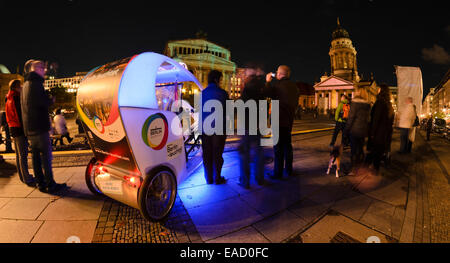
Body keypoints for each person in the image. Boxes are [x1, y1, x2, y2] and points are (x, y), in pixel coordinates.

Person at [21, 59, 66, 193]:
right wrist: (50, 100)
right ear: (36, 69)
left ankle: (40, 183)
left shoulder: (25, 85)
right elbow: (40, 103)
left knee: (35, 158)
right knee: (46, 157)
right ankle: (50, 184)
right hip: (40, 127)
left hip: (30, 128)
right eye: (42, 67)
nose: (44, 70)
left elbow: (26, 106)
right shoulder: (36, 83)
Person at [265, 65, 300, 179]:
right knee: (287, 147)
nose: (276, 73)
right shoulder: (295, 87)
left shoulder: (278, 86)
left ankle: (277, 173)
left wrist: (268, 81)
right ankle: (289, 170)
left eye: (277, 72)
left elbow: (266, 93)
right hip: (288, 121)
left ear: (280, 74)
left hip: (278, 121)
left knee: (278, 149)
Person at [238, 66, 266, 189]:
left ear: (249, 77)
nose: (243, 77)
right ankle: (259, 178)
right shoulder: (260, 89)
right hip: (258, 125)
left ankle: (245, 180)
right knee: (259, 153)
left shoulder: (247, 89)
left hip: (247, 126)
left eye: (245, 75)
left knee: (244, 153)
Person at [5, 79, 35, 186]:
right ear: (15, 87)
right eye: (20, 86)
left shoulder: (8, 98)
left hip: (13, 129)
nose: (22, 87)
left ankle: (23, 176)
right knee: (23, 155)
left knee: (18, 155)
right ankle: (27, 178)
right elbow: (21, 116)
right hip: (19, 129)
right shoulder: (16, 98)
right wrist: (26, 130)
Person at [200, 70, 228, 185]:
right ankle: (217, 178)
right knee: (217, 154)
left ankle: (209, 178)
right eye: (220, 79)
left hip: (205, 129)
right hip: (219, 129)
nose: (221, 82)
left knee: (207, 154)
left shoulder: (202, 93)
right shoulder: (223, 93)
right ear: (217, 80)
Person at [367, 84, 394, 174]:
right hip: (384, 133)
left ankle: (375, 168)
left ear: (381, 90)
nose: (377, 90)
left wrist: (372, 133)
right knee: (379, 151)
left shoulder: (380, 102)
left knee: (375, 151)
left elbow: (376, 119)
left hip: (378, 132)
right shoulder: (388, 104)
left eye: (378, 89)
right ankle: (376, 167)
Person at [344, 88, 371, 173]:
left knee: (354, 150)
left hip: (354, 130)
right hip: (363, 131)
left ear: (358, 93)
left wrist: (346, 130)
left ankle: (353, 169)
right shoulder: (368, 105)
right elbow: (369, 119)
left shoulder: (354, 103)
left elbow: (351, 118)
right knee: (360, 149)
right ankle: (360, 167)